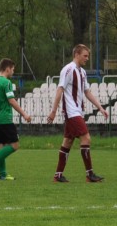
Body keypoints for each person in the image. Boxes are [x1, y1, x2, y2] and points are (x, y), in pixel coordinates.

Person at [46, 44, 108, 183]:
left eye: (88, 56)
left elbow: (87, 92)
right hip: (71, 111)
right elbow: (59, 90)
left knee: (67, 142)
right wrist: (53, 111)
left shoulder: (82, 72)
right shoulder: (68, 70)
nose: (87, 59)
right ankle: (89, 174)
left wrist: (100, 107)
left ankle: (58, 175)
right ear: (77, 54)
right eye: (85, 56)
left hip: (77, 111)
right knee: (86, 138)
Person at [0, 58, 33, 180]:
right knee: (15, 145)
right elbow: (11, 100)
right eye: (12, 69)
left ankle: (3, 174)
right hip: (4, 119)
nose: (13, 72)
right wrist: (24, 114)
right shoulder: (6, 82)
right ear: (7, 69)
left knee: (2, 146)